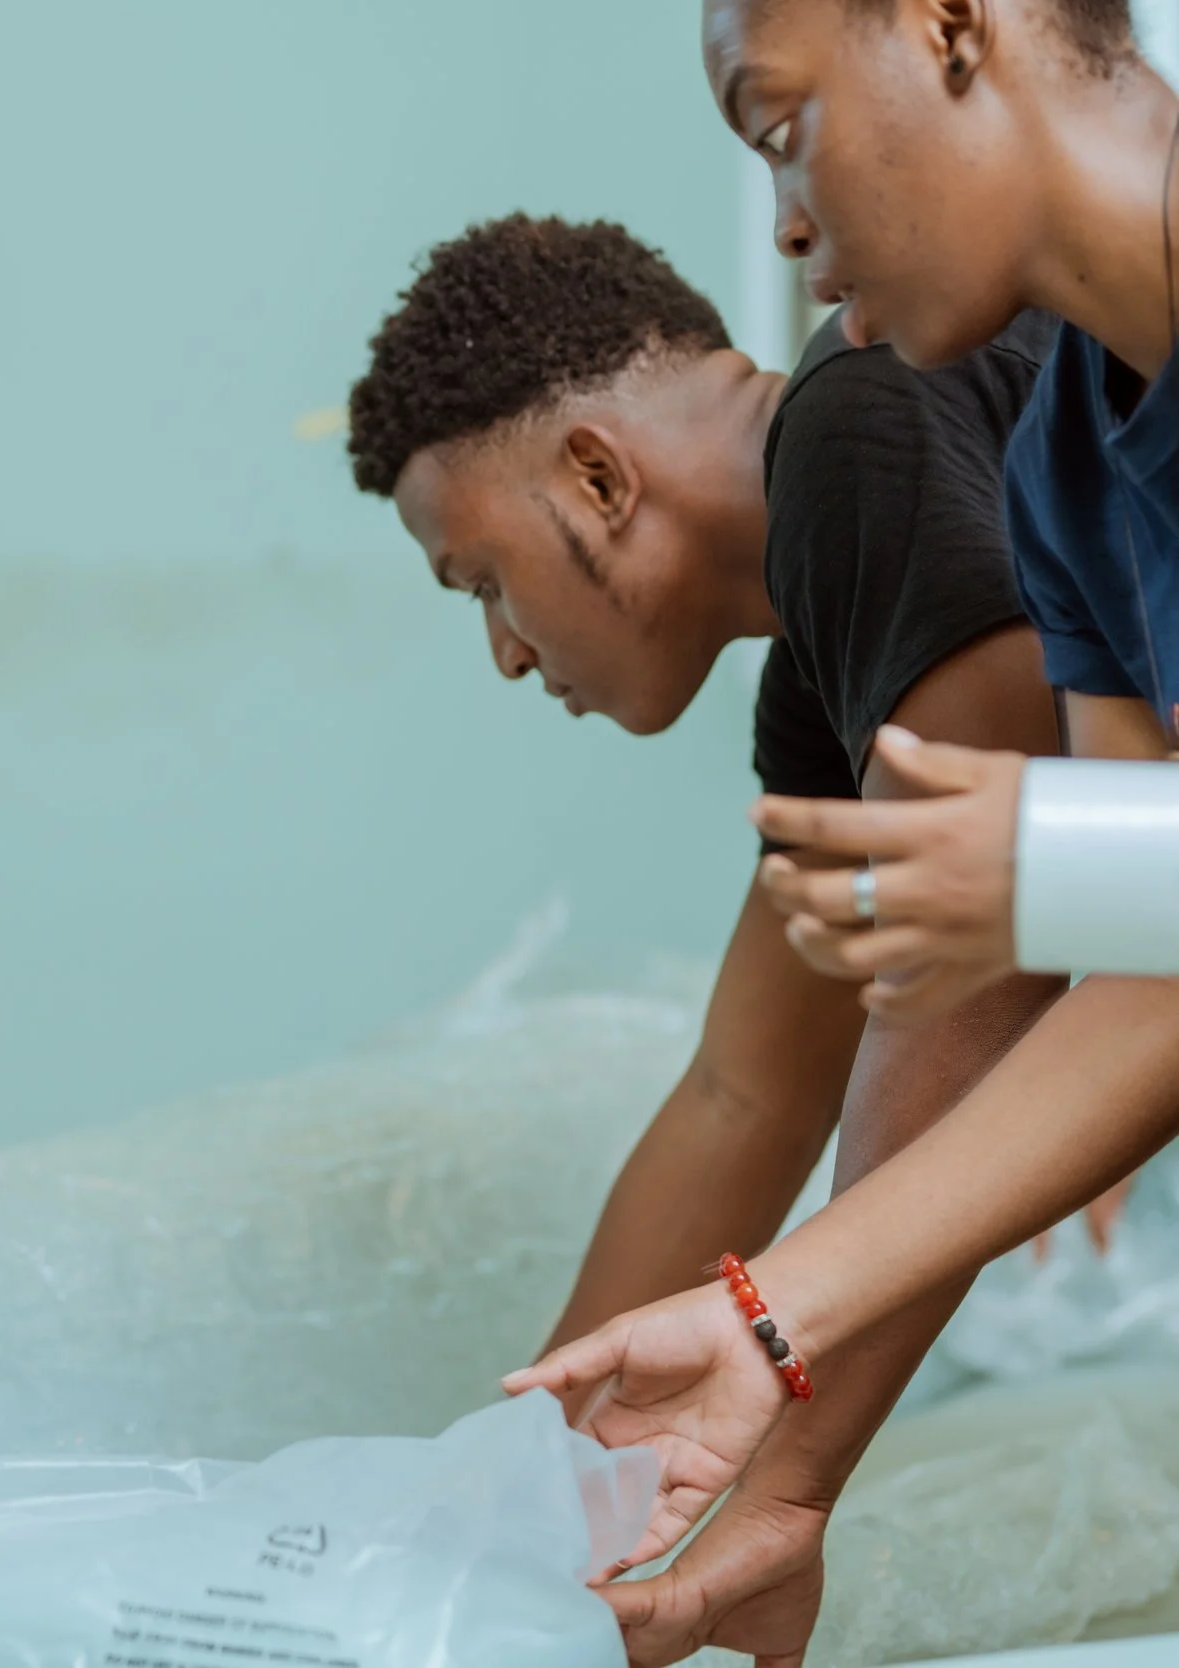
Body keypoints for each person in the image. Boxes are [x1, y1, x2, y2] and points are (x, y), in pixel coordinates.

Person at [510, 3, 1179, 1663]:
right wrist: (770, 1372)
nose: (787, 221)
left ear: (958, 27)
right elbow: (1150, 994)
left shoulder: (876, 433)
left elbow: (1094, 903)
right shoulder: (1067, 471)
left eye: (780, 123)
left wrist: (1072, 861)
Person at [348, 212, 1073, 1664]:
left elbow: (982, 977)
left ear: (600, 477)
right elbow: (750, 1088)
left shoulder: (863, 427)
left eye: (482, 581)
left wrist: (782, 1483)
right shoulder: (828, 634)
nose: (502, 650)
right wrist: (514, 1495)